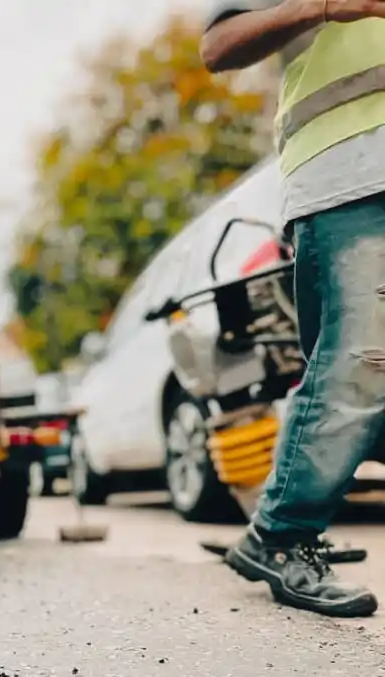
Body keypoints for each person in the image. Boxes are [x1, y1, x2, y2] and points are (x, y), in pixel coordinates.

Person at [202, 0, 385, 617]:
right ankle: (279, 536)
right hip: (353, 174)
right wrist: (335, 6)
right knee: (362, 363)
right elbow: (220, 44)